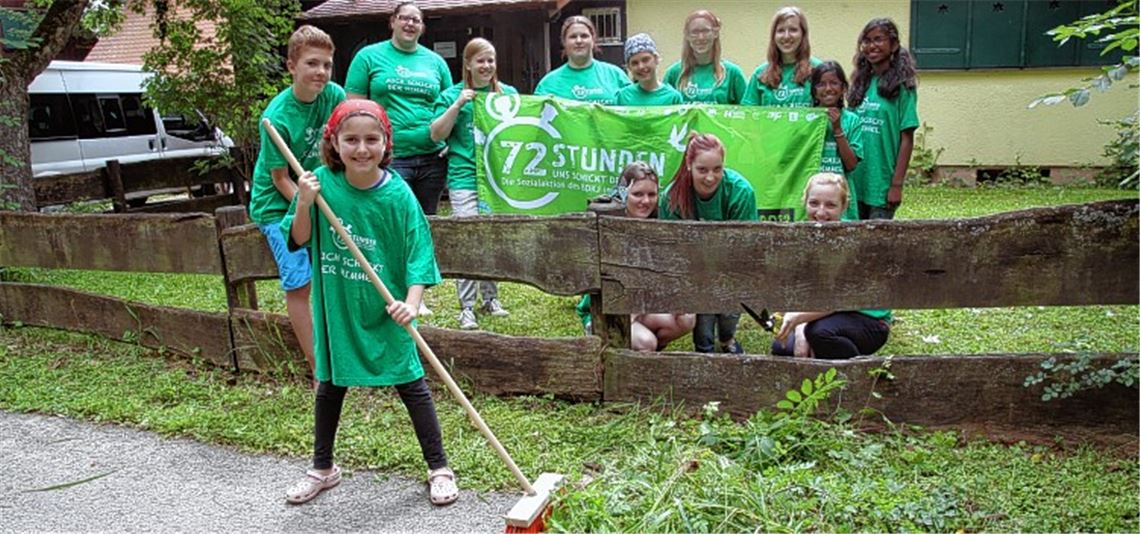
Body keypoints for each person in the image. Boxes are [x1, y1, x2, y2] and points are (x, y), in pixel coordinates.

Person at [282, 100, 457, 506]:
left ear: (386, 143)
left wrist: (411, 303)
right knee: (330, 385)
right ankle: (323, 468)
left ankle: (439, 467)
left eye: (371, 139)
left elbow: (418, 254)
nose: (362, 149)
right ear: (334, 142)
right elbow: (300, 238)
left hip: (387, 310)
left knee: (411, 383)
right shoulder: (321, 185)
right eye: (351, 140)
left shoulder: (398, 195)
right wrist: (304, 201)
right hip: (339, 308)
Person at [249, 25, 345, 385]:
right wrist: (310, 208)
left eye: (327, 65)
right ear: (291, 66)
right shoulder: (276, 117)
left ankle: (342, 354)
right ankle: (318, 370)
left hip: (316, 194)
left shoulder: (333, 96)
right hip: (277, 204)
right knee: (300, 281)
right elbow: (280, 179)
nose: (321, 72)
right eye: (312, 63)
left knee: (333, 271)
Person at [430, 38, 516, 330]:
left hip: (497, 179)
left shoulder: (508, 94)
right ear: (468, 64)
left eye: (491, 60)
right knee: (467, 240)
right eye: (480, 60)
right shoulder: (451, 95)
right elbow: (436, 134)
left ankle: (491, 299)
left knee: (490, 239)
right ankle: (466, 307)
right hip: (464, 177)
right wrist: (457, 105)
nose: (487, 66)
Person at [345, 1, 453, 216]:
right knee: (393, 216)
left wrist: (453, 145)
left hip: (433, 157)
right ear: (392, 22)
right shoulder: (368, 56)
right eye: (404, 18)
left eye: (416, 20)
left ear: (422, 28)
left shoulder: (436, 62)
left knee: (428, 220)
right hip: (390, 156)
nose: (410, 23)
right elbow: (353, 109)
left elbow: (450, 106)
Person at [576, 162, 696, 350]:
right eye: (638, 194)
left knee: (686, 318)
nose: (646, 201)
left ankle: (641, 349)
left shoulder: (658, 227)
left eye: (651, 194)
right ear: (624, 193)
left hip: (642, 305)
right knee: (646, 342)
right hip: (607, 309)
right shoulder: (608, 223)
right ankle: (631, 346)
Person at [772, 173, 891, 359]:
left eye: (830, 205)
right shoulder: (799, 238)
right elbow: (798, 292)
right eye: (814, 203)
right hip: (822, 314)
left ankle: (857, 372)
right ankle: (825, 361)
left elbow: (843, 299)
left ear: (844, 207)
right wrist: (801, 328)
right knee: (783, 347)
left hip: (866, 318)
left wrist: (801, 319)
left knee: (820, 334)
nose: (820, 213)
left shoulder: (856, 239)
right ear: (805, 202)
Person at [659, 133, 757, 354]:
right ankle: (704, 347)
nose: (710, 178)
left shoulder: (741, 191)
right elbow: (671, 249)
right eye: (702, 170)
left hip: (731, 266)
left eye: (717, 169)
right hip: (693, 269)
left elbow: (746, 248)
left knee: (729, 308)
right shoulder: (672, 196)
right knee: (703, 326)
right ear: (689, 165)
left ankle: (727, 338)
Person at [847, 17, 919, 220]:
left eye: (878, 39)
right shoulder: (860, 83)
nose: (872, 46)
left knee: (877, 238)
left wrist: (896, 185)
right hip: (855, 180)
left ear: (894, 45)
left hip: (882, 183)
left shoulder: (903, 87)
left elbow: (907, 138)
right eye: (867, 41)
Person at [534, 15, 630, 105]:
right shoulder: (548, 84)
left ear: (593, 40)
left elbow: (633, 110)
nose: (579, 41)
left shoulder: (615, 75)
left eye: (584, 36)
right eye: (573, 37)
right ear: (564, 42)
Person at [811, 60, 863, 221]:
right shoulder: (806, 120)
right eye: (821, 84)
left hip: (841, 196)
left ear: (844, 88)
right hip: (813, 197)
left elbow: (851, 164)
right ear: (814, 91)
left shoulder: (852, 120)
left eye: (834, 83)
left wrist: (837, 128)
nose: (828, 88)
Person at [662, 10, 747, 105]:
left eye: (705, 31)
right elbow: (662, 110)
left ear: (715, 33)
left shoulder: (733, 73)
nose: (701, 37)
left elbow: (748, 110)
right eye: (695, 32)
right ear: (687, 35)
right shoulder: (674, 73)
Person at [742, 6, 820, 107]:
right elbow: (748, 113)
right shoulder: (760, 74)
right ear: (773, 36)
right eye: (780, 30)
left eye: (793, 30)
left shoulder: (818, 71)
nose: (786, 36)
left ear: (803, 34)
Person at [615, 33, 684, 106]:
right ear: (629, 67)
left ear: (656, 59)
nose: (641, 67)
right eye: (635, 63)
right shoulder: (623, 97)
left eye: (645, 60)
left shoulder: (672, 97)